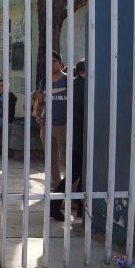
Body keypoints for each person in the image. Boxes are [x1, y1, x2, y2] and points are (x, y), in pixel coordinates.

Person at [51, 58, 86, 221]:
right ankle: (54, 204)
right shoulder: (81, 87)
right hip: (81, 137)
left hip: (77, 135)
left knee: (80, 172)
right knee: (75, 172)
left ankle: (80, 207)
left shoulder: (76, 85)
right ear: (81, 72)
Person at [33, 51, 67, 193]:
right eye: (49, 62)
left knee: (66, 160)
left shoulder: (68, 80)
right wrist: (38, 117)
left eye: (54, 61)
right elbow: (40, 102)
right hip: (47, 126)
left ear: (60, 63)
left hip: (64, 126)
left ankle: (71, 190)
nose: (51, 64)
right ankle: (57, 189)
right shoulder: (44, 82)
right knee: (52, 161)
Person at [0, 78, 18, 155]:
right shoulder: (0, 96)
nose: (0, 87)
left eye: (2, 85)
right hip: (0, 117)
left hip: (7, 118)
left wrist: (0, 116)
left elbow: (10, 110)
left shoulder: (11, 96)